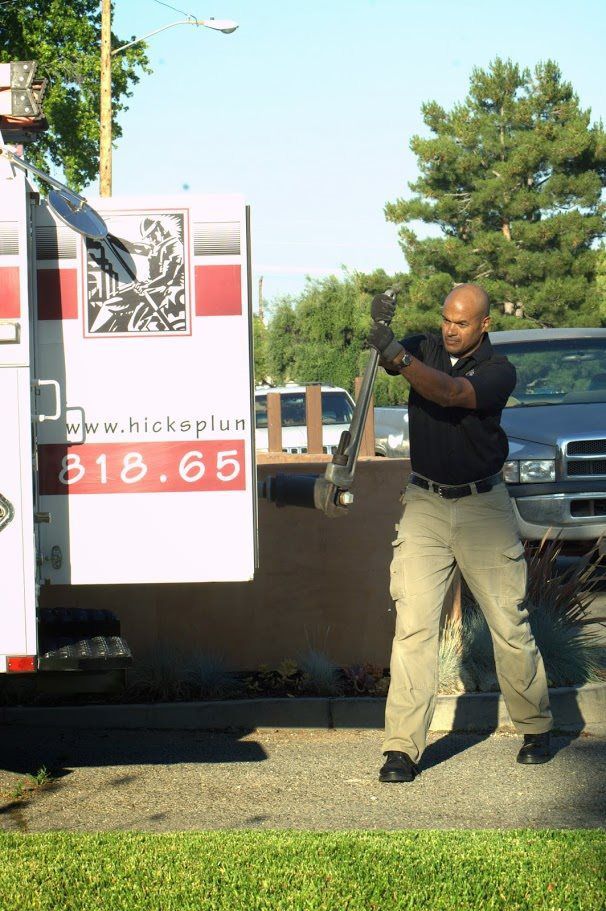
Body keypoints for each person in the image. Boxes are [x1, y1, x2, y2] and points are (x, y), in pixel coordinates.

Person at [367, 283, 553, 783]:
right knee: (413, 628)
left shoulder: (498, 372)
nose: (450, 329)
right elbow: (388, 360)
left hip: (482, 508)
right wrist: (382, 330)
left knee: (508, 624)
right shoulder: (425, 345)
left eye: (462, 322)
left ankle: (535, 726)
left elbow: (448, 394)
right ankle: (401, 749)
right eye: (447, 319)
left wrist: (397, 357)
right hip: (425, 504)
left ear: (484, 325)